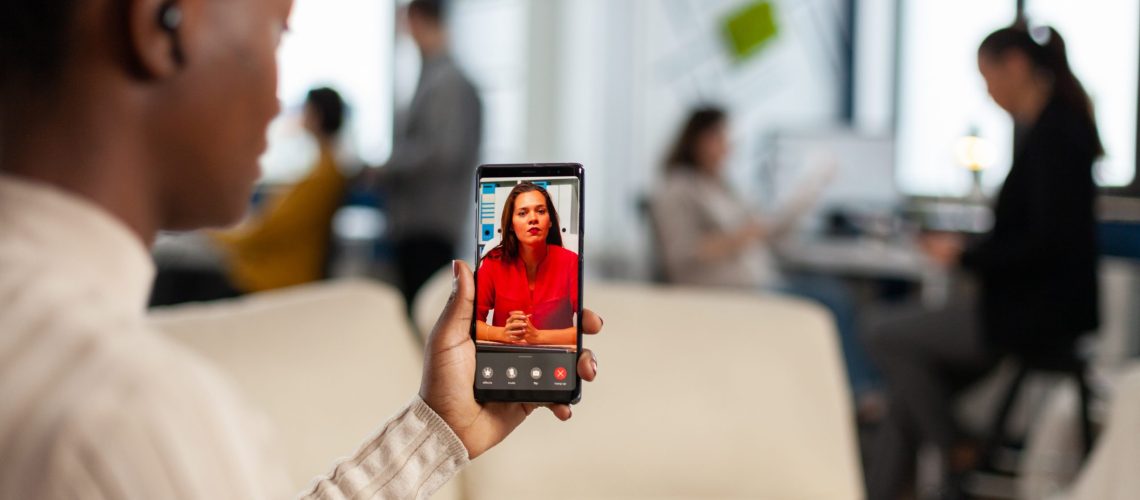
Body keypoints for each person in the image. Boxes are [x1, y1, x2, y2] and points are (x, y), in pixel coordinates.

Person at [0, 1, 601, 498]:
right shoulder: (136, 421)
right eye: (277, 33)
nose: (279, 99)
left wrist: (435, 432)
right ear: (161, 22)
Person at [864, 22, 1102, 500]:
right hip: (1031, 305)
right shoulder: (1049, 131)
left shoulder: (1056, 138)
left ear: (1015, 66)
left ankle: (956, 445)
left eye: (987, 78)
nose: (988, 92)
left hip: (1031, 313)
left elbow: (1042, 243)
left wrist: (966, 255)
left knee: (879, 330)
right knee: (907, 397)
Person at [650, 107, 880, 410]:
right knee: (833, 299)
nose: (727, 146)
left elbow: (766, 229)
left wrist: (809, 191)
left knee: (837, 293)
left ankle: (852, 392)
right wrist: (742, 236)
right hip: (724, 290)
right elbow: (682, 253)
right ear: (697, 139)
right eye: (719, 137)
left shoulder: (721, 185)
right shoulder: (678, 188)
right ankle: (858, 394)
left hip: (758, 280)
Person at [369, 0, 483, 316]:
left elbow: (442, 153)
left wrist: (387, 167)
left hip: (430, 225)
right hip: (421, 225)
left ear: (417, 20)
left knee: (428, 316)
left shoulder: (447, 83)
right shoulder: (434, 78)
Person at [212, 87, 350, 293]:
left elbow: (264, 234)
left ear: (316, 116)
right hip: (280, 267)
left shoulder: (321, 177)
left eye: (305, 110)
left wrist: (214, 234)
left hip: (276, 277)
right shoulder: (325, 170)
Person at [475, 183, 579, 348]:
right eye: (523, 213)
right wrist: (501, 334)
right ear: (510, 224)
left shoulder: (571, 262)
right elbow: (468, 323)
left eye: (540, 211)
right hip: (504, 359)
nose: (533, 219)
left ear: (550, 221)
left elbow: (583, 331)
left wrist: (537, 336)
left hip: (556, 361)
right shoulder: (493, 262)